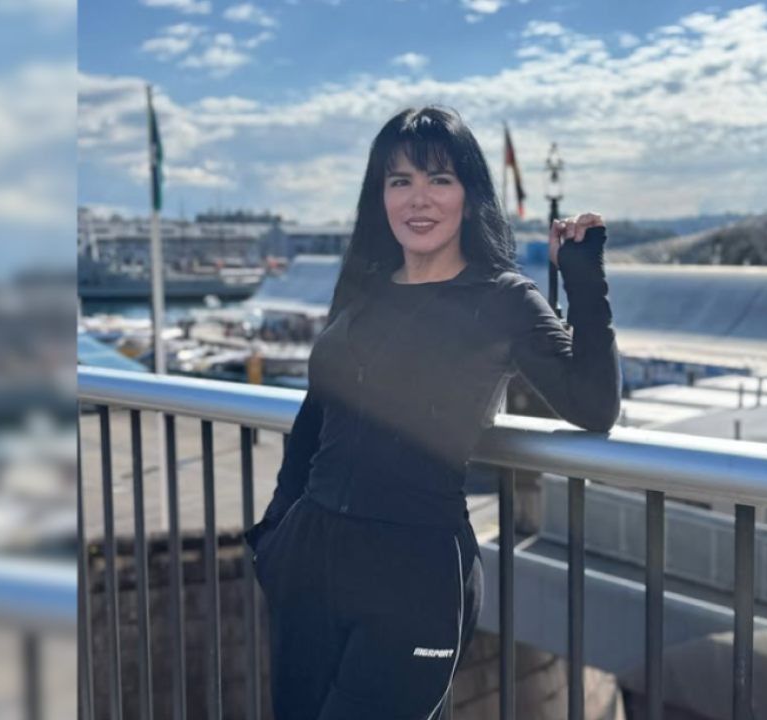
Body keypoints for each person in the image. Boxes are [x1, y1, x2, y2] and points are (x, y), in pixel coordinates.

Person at [242, 106, 621, 719]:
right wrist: (278, 532)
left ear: (470, 197)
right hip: (309, 563)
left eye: (439, 179)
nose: (418, 199)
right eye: (400, 181)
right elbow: (317, 413)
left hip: (414, 573)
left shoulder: (502, 298)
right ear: (380, 195)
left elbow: (594, 405)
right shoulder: (364, 285)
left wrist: (582, 277)